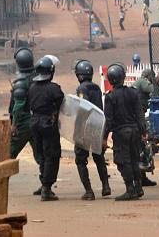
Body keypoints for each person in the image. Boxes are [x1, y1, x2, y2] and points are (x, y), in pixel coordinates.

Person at [104, 64, 146, 201]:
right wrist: (143, 131)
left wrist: (104, 138)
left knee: (123, 161)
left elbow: (108, 120)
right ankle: (139, 187)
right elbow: (140, 114)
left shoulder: (110, 97)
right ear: (123, 77)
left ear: (110, 80)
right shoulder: (133, 93)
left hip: (120, 133)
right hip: (134, 131)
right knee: (135, 159)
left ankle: (130, 189)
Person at [27, 56, 65, 201]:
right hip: (48, 123)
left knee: (41, 153)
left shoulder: (32, 87)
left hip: (35, 122)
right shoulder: (54, 88)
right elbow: (62, 103)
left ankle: (43, 183)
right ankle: (47, 188)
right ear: (51, 71)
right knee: (52, 155)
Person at [73, 60, 111, 201]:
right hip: (97, 127)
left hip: (84, 128)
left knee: (80, 160)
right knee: (99, 157)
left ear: (79, 75)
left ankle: (89, 191)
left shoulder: (81, 89)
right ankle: (106, 186)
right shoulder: (96, 87)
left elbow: (83, 108)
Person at [9, 48, 41, 194]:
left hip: (24, 122)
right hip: (36, 120)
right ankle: (45, 184)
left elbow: (18, 106)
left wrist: (14, 124)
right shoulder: (37, 77)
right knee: (40, 155)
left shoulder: (21, 82)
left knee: (9, 152)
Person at [132, 69, 157, 187]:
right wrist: (157, 81)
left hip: (137, 114)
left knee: (141, 148)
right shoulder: (143, 81)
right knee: (141, 147)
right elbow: (152, 89)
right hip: (137, 115)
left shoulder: (139, 82)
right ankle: (138, 179)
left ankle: (142, 178)